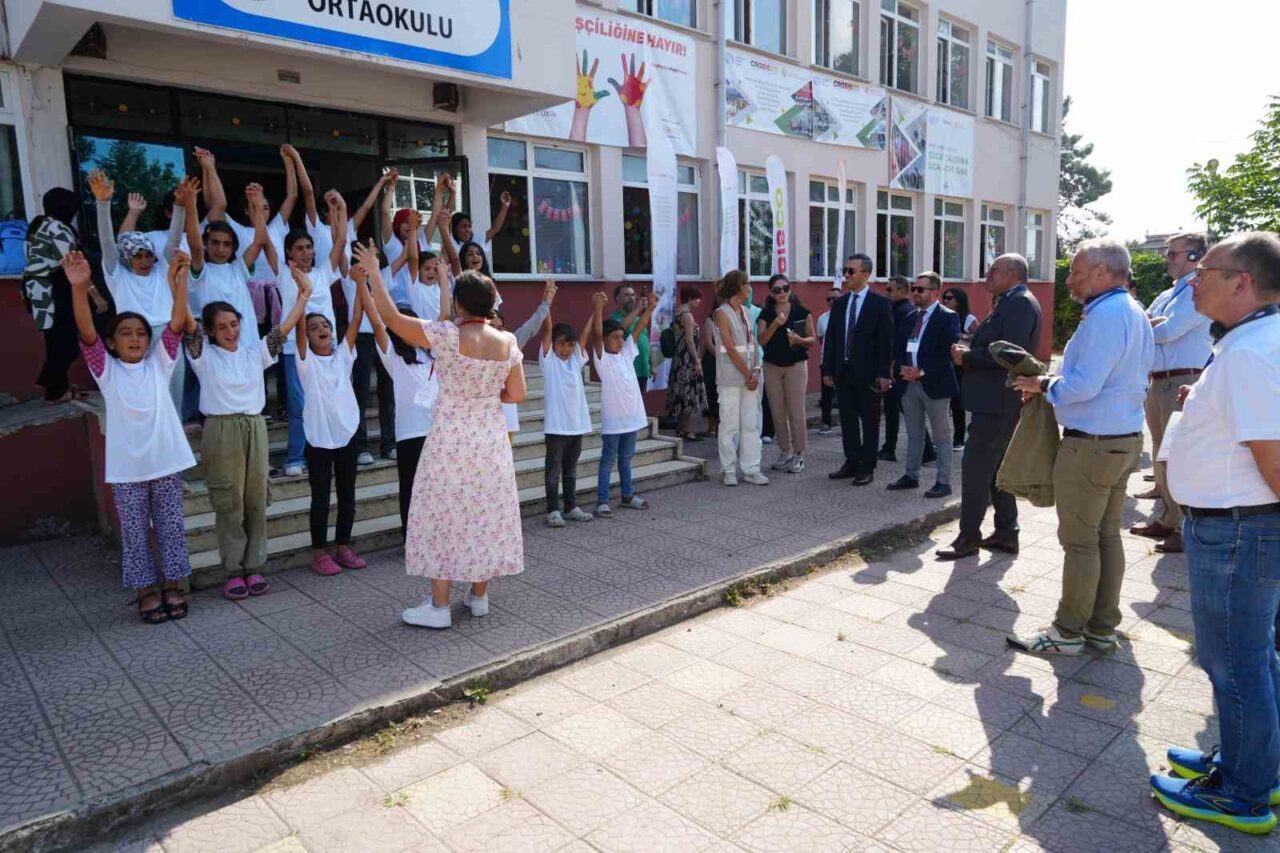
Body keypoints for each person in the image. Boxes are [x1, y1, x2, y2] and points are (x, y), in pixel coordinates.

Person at [1151, 231, 1280, 835]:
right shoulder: (1251, 341)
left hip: (1237, 531)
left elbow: (1272, 456)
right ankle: (1253, 766)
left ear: (1242, 282)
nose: (1193, 280)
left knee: (1235, 664)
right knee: (1253, 658)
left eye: (1205, 271)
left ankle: (1243, 795)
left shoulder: (1252, 351)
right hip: (1239, 525)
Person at [1007, 238, 1153, 655]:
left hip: (1091, 445)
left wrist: (1042, 384)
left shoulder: (1106, 315)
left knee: (1080, 541)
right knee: (1105, 537)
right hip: (1121, 439)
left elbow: (1083, 386)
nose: (1068, 279)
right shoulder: (1131, 310)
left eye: (1074, 270)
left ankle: (1067, 632)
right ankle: (1101, 628)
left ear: (1102, 272)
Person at [368, 261, 526, 630]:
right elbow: (517, 393)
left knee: (443, 514)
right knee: (484, 514)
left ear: (458, 303)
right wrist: (489, 393)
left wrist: (374, 272)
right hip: (490, 441)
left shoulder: (445, 335)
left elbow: (392, 319)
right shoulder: (507, 342)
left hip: (450, 440)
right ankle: (479, 596)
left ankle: (439, 606)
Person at [68, 249, 194, 623]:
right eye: (126, 333)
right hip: (127, 469)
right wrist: (79, 288)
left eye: (141, 333)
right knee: (136, 533)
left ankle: (172, 586)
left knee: (171, 528)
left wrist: (180, 282)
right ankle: (145, 592)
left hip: (166, 461)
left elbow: (175, 324)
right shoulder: (106, 371)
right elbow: (87, 332)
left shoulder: (160, 363)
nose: (135, 338)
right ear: (111, 343)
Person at [185, 261, 310, 601]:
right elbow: (187, 326)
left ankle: (254, 566)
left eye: (234, 324)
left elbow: (283, 329)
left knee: (256, 500)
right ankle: (232, 570)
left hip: (255, 427)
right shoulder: (203, 356)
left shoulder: (254, 354)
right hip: (221, 430)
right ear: (210, 331)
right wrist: (178, 281)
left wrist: (304, 295)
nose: (231, 331)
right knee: (229, 502)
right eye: (222, 327)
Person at [937, 254, 1042, 559]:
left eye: (994, 270)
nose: (987, 273)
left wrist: (968, 356)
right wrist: (970, 346)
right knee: (997, 470)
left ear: (1013, 274)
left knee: (975, 470)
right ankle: (1007, 533)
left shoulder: (1020, 303)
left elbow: (1010, 353)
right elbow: (998, 344)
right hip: (994, 400)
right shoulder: (1008, 300)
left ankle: (968, 537)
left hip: (998, 401)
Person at [1129, 233, 1213, 555]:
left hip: (1182, 379)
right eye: (1167, 252)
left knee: (1177, 456)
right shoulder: (1169, 293)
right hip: (1159, 380)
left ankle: (1182, 528)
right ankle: (1168, 518)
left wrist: (1148, 327)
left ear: (1194, 256)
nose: (1167, 258)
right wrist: (1148, 326)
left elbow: (1167, 331)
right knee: (1162, 454)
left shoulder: (1197, 290)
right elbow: (1144, 322)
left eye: (1173, 253)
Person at [350, 247, 442, 532]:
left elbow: (445, 318)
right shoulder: (393, 356)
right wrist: (364, 283)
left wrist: (444, 279)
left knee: (436, 490)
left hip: (436, 432)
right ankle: (410, 538)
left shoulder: (431, 353)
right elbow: (378, 321)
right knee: (411, 490)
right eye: (407, 326)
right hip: (410, 435)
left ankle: (435, 536)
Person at [92, 170, 192, 415]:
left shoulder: (162, 269)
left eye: (148, 255)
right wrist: (103, 204)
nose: (145, 261)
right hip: (134, 336)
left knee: (173, 397)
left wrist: (180, 207)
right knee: (142, 395)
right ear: (127, 257)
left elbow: (173, 240)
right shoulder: (117, 275)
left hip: (167, 334)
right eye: (138, 256)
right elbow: (107, 243)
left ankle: (174, 436)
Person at [293, 260, 367, 577]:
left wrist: (360, 284)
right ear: (307, 337)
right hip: (319, 439)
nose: (321, 329)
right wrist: (302, 293)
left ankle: (343, 547)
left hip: (347, 434)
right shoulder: (306, 362)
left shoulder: (342, 357)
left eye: (325, 325)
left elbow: (356, 319)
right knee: (321, 498)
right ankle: (319, 552)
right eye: (314, 328)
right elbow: (298, 328)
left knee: (347, 496)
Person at [275, 191, 348, 477]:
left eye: (308, 247)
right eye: (299, 248)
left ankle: (329, 450)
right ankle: (295, 457)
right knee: (299, 405)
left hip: (327, 351)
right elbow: (263, 239)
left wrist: (339, 210)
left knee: (329, 401)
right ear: (289, 253)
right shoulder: (283, 274)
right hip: (295, 348)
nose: (306, 252)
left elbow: (340, 242)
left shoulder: (323, 273)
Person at [24, 187, 105, 403]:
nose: (75, 212)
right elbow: (72, 263)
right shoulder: (57, 228)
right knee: (65, 343)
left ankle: (54, 384)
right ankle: (55, 390)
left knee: (56, 340)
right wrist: (96, 295)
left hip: (39, 290)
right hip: (53, 290)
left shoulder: (38, 226)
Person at [821, 253, 893, 486]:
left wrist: (884, 373)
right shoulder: (840, 304)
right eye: (845, 270)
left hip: (869, 374)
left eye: (851, 271)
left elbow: (886, 342)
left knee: (870, 421)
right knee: (847, 419)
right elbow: (831, 339)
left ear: (865, 274)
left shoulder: (879, 304)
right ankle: (851, 461)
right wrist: (827, 369)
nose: (846, 275)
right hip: (843, 371)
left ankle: (867, 466)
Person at [887, 272, 960, 498]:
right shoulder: (910, 317)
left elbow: (946, 352)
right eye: (913, 288)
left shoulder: (948, 317)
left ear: (935, 292)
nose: (915, 293)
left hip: (934, 384)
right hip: (908, 383)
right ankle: (911, 476)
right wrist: (902, 367)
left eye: (920, 289)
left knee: (941, 436)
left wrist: (922, 370)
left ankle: (943, 482)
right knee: (914, 433)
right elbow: (899, 347)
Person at [592, 290, 653, 516]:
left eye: (621, 337)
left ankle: (627, 495)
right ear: (604, 340)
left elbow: (638, 328)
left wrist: (650, 308)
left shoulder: (626, 353)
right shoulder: (602, 359)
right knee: (608, 460)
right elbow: (597, 333)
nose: (620, 341)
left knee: (626, 459)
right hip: (613, 421)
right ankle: (602, 501)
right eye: (615, 337)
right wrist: (598, 308)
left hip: (632, 418)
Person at [539, 295, 595, 528]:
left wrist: (596, 309)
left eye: (570, 345)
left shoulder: (575, 361)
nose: (566, 349)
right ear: (553, 345)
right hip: (556, 427)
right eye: (561, 344)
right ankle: (553, 510)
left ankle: (570, 507)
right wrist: (547, 302)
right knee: (553, 471)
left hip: (576, 426)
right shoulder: (549, 361)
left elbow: (585, 334)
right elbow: (547, 329)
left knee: (570, 469)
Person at [758, 274, 816, 474]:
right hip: (772, 366)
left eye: (785, 288)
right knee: (777, 412)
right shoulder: (766, 313)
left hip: (796, 365)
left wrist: (800, 340)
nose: (782, 292)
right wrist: (775, 324)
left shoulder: (802, 312)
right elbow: (761, 340)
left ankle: (799, 454)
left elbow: (812, 339)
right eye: (777, 290)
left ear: (790, 289)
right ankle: (785, 451)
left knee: (796, 411)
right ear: (771, 293)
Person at [715, 271, 768, 487]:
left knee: (751, 424)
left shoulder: (746, 312)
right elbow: (729, 347)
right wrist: (748, 374)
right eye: (747, 284)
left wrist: (755, 370)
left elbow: (752, 344)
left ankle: (751, 469)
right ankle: (728, 470)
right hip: (730, 378)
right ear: (738, 287)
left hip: (749, 377)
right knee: (729, 425)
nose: (750, 288)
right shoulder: (721, 312)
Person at [879, 275, 914, 462]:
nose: (887, 293)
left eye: (890, 289)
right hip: (899, 365)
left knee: (899, 408)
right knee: (902, 408)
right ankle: (890, 447)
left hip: (897, 367)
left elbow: (897, 340)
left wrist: (892, 364)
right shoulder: (899, 309)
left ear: (902, 291)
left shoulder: (903, 311)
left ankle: (890, 447)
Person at [666, 286, 708, 441]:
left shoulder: (677, 313)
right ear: (690, 297)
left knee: (681, 395)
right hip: (687, 360)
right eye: (697, 298)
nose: (699, 301)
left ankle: (681, 429)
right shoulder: (688, 316)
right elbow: (689, 340)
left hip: (678, 359)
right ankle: (687, 430)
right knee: (690, 395)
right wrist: (697, 360)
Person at [941, 286, 979, 450]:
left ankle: (959, 439)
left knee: (958, 404)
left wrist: (960, 336)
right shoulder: (942, 316)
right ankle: (942, 439)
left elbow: (978, 338)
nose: (945, 301)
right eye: (944, 298)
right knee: (941, 404)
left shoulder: (968, 318)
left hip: (960, 366)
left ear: (959, 300)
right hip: (944, 363)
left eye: (950, 298)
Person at [609, 285, 652, 393]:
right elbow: (620, 328)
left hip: (643, 370)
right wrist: (638, 309)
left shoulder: (639, 319)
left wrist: (652, 364)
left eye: (633, 295)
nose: (631, 298)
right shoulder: (614, 319)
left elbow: (645, 342)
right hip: (628, 370)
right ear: (617, 298)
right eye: (627, 295)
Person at [815, 286, 841, 435]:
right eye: (828, 299)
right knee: (826, 394)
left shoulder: (848, 316)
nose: (831, 301)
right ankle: (826, 423)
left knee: (845, 394)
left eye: (835, 298)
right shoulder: (822, 319)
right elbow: (820, 338)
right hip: (826, 361)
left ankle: (847, 424)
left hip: (843, 361)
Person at [701, 294, 722, 437]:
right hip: (712, 362)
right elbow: (708, 343)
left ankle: (721, 425)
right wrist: (721, 357)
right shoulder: (710, 319)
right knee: (711, 392)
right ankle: (711, 425)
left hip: (725, 360)